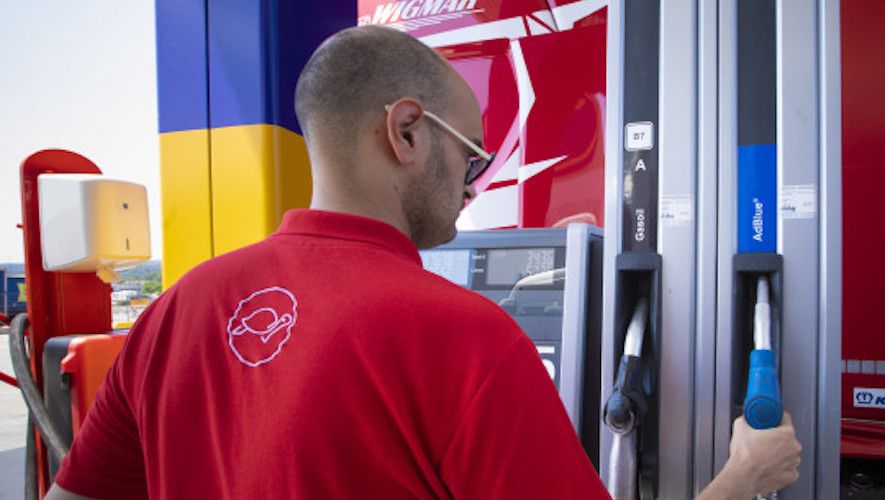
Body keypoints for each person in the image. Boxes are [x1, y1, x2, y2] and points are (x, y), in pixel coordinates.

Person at [48, 26, 799, 499]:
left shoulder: (175, 310)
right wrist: (744, 476)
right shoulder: (468, 339)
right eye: (474, 158)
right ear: (406, 131)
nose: (475, 189)